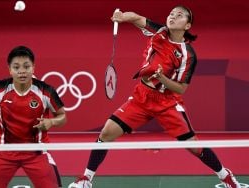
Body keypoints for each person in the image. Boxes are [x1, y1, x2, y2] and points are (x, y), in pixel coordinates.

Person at [68, 6, 242, 188]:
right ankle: (86, 179)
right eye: (171, 13)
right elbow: (136, 18)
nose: (173, 16)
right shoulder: (159, 32)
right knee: (106, 133)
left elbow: (181, 88)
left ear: (187, 25)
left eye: (180, 15)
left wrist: (162, 79)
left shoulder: (187, 54)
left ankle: (226, 177)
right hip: (141, 97)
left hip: (167, 102)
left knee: (194, 146)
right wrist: (122, 17)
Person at [0, 46, 67, 188]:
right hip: (4, 151)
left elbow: (62, 116)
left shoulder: (45, 91)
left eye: (26, 66)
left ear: (33, 68)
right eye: (16, 67)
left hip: (36, 152)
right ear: (10, 70)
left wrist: (52, 122)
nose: (22, 71)